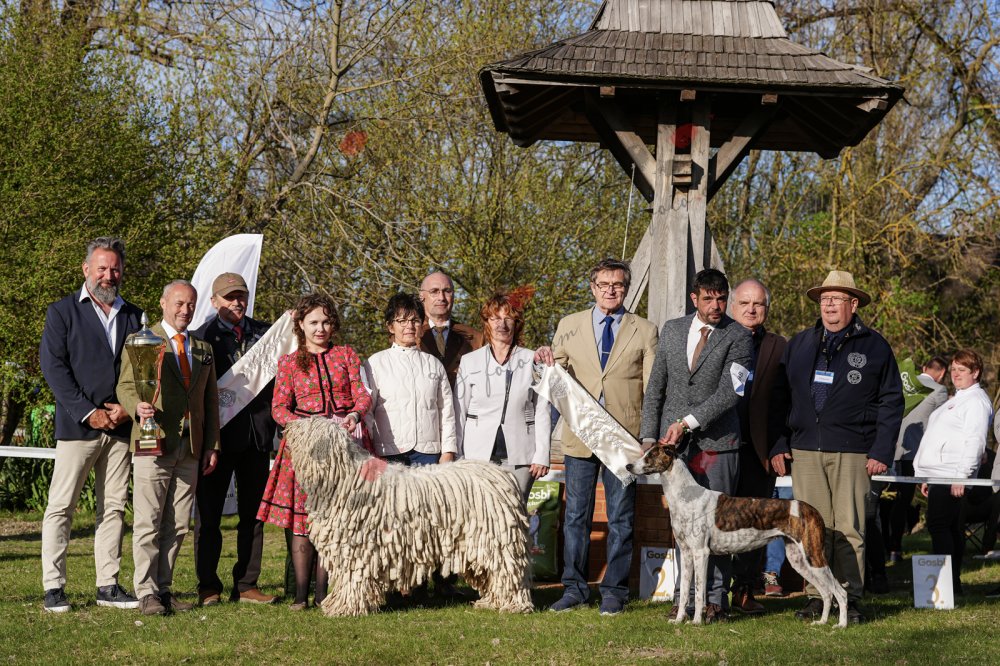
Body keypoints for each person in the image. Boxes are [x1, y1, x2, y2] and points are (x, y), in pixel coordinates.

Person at [770, 270, 903, 624]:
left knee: (849, 527)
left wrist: (881, 451)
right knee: (812, 529)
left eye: (836, 299)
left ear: (853, 304)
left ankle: (851, 596)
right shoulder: (799, 344)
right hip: (805, 450)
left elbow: (891, 401)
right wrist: (779, 443)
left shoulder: (875, 347)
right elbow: (780, 399)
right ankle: (818, 596)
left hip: (853, 450)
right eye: (824, 299)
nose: (828, 305)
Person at [534, 258, 658, 617]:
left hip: (623, 439)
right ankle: (574, 588)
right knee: (576, 516)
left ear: (627, 288)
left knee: (621, 518)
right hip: (579, 437)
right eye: (603, 284)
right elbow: (553, 375)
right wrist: (542, 359)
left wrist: (648, 436)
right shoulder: (569, 325)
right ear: (592, 288)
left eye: (617, 284)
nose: (610, 290)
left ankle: (614, 592)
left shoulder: (645, 330)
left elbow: (652, 388)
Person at [640, 268, 752, 623]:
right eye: (708, 299)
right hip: (674, 448)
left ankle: (715, 600)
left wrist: (686, 422)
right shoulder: (673, 329)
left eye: (721, 299)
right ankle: (682, 599)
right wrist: (648, 438)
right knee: (682, 525)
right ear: (694, 298)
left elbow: (731, 393)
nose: (716, 306)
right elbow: (656, 387)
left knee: (717, 526)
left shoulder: (739, 336)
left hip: (717, 444)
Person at [39, 237, 143, 612]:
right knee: (61, 507)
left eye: (115, 269)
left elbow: (143, 371)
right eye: (102, 268)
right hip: (78, 427)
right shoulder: (62, 312)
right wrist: (88, 412)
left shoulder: (135, 316)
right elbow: (54, 368)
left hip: (120, 427)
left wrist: (127, 409)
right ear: (86, 269)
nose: (108, 275)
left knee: (113, 507)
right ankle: (54, 587)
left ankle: (108, 586)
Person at [257, 294, 372, 611]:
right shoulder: (289, 362)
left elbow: (362, 395)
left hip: (342, 448)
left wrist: (354, 415)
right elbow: (279, 408)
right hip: (304, 451)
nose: (320, 328)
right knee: (303, 523)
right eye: (313, 322)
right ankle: (299, 595)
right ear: (301, 326)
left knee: (331, 521)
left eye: (326, 322)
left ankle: (323, 594)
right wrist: (303, 427)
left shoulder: (346, 355)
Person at [117, 280, 221, 616]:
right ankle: (146, 592)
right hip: (154, 440)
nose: (185, 310)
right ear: (163, 303)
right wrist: (136, 407)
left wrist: (212, 444)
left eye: (190, 304)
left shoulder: (203, 348)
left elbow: (210, 401)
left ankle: (163, 589)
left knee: (177, 525)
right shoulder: (142, 341)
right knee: (148, 521)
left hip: (191, 448)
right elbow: (125, 386)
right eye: (179, 303)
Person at [192, 273, 278, 606]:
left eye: (241, 296)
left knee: (254, 516)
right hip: (217, 439)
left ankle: (246, 584)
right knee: (209, 516)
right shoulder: (201, 338)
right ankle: (208, 585)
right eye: (229, 297)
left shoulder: (267, 335)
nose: (236, 302)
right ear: (214, 301)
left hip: (257, 435)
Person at [727, 279, 789, 614]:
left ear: (766, 308)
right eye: (744, 303)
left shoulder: (779, 347)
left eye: (758, 304)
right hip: (718, 449)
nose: (751, 310)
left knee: (753, 525)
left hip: (759, 451)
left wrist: (779, 445)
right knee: (716, 523)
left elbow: (788, 402)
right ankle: (712, 594)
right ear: (732, 306)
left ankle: (744, 591)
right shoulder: (717, 338)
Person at [454, 293, 550, 502]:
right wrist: (457, 455)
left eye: (508, 318)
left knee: (516, 511)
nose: (502, 324)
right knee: (479, 511)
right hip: (476, 454)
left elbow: (542, 409)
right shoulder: (470, 361)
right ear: (487, 322)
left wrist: (542, 454)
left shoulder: (533, 359)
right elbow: (459, 410)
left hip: (522, 455)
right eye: (495, 318)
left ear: (517, 323)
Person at [914, 349, 993, 596]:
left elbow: (975, 441)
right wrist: (926, 475)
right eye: (954, 369)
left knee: (939, 526)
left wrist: (962, 477)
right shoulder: (959, 398)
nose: (956, 374)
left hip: (951, 475)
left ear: (975, 372)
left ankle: (943, 585)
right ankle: (952, 585)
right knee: (950, 528)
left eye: (962, 370)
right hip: (939, 475)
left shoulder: (976, 401)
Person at [364, 292, 457, 467]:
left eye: (415, 320)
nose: (409, 326)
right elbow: (367, 411)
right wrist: (366, 449)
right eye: (402, 321)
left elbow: (446, 412)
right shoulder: (375, 363)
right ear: (390, 326)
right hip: (387, 452)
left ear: (421, 325)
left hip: (428, 453)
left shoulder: (434, 364)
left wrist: (448, 451)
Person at [887, 357, 948, 563]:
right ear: (942, 373)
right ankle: (899, 548)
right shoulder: (939, 390)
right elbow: (942, 423)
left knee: (892, 501)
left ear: (923, 368)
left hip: (893, 449)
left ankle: (891, 548)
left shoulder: (903, 384)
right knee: (908, 501)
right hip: (917, 453)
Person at [418, 271, 483, 386]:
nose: (441, 298)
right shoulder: (409, 336)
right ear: (421, 296)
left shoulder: (476, 338)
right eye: (434, 291)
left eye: (447, 291)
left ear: (453, 295)